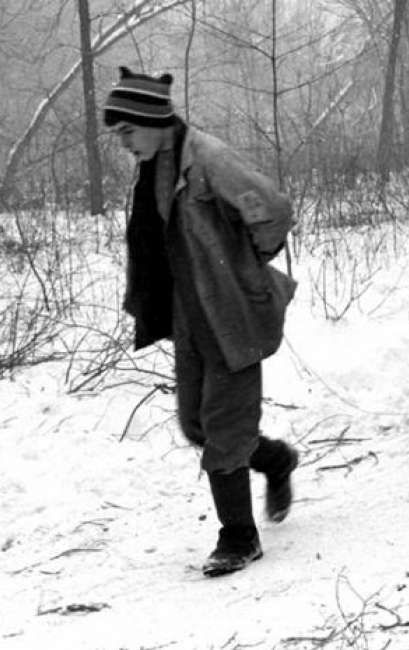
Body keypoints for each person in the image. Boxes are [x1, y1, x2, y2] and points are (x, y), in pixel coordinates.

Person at [103, 67, 299, 576]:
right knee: (195, 423)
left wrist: (246, 264)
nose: (122, 143)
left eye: (126, 131)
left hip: (229, 311)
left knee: (225, 428)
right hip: (191, 314)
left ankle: (238, 536)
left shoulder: (208, 158)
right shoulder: (159, 163)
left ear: (152, 120)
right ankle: (274, 459)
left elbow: (273, 210)